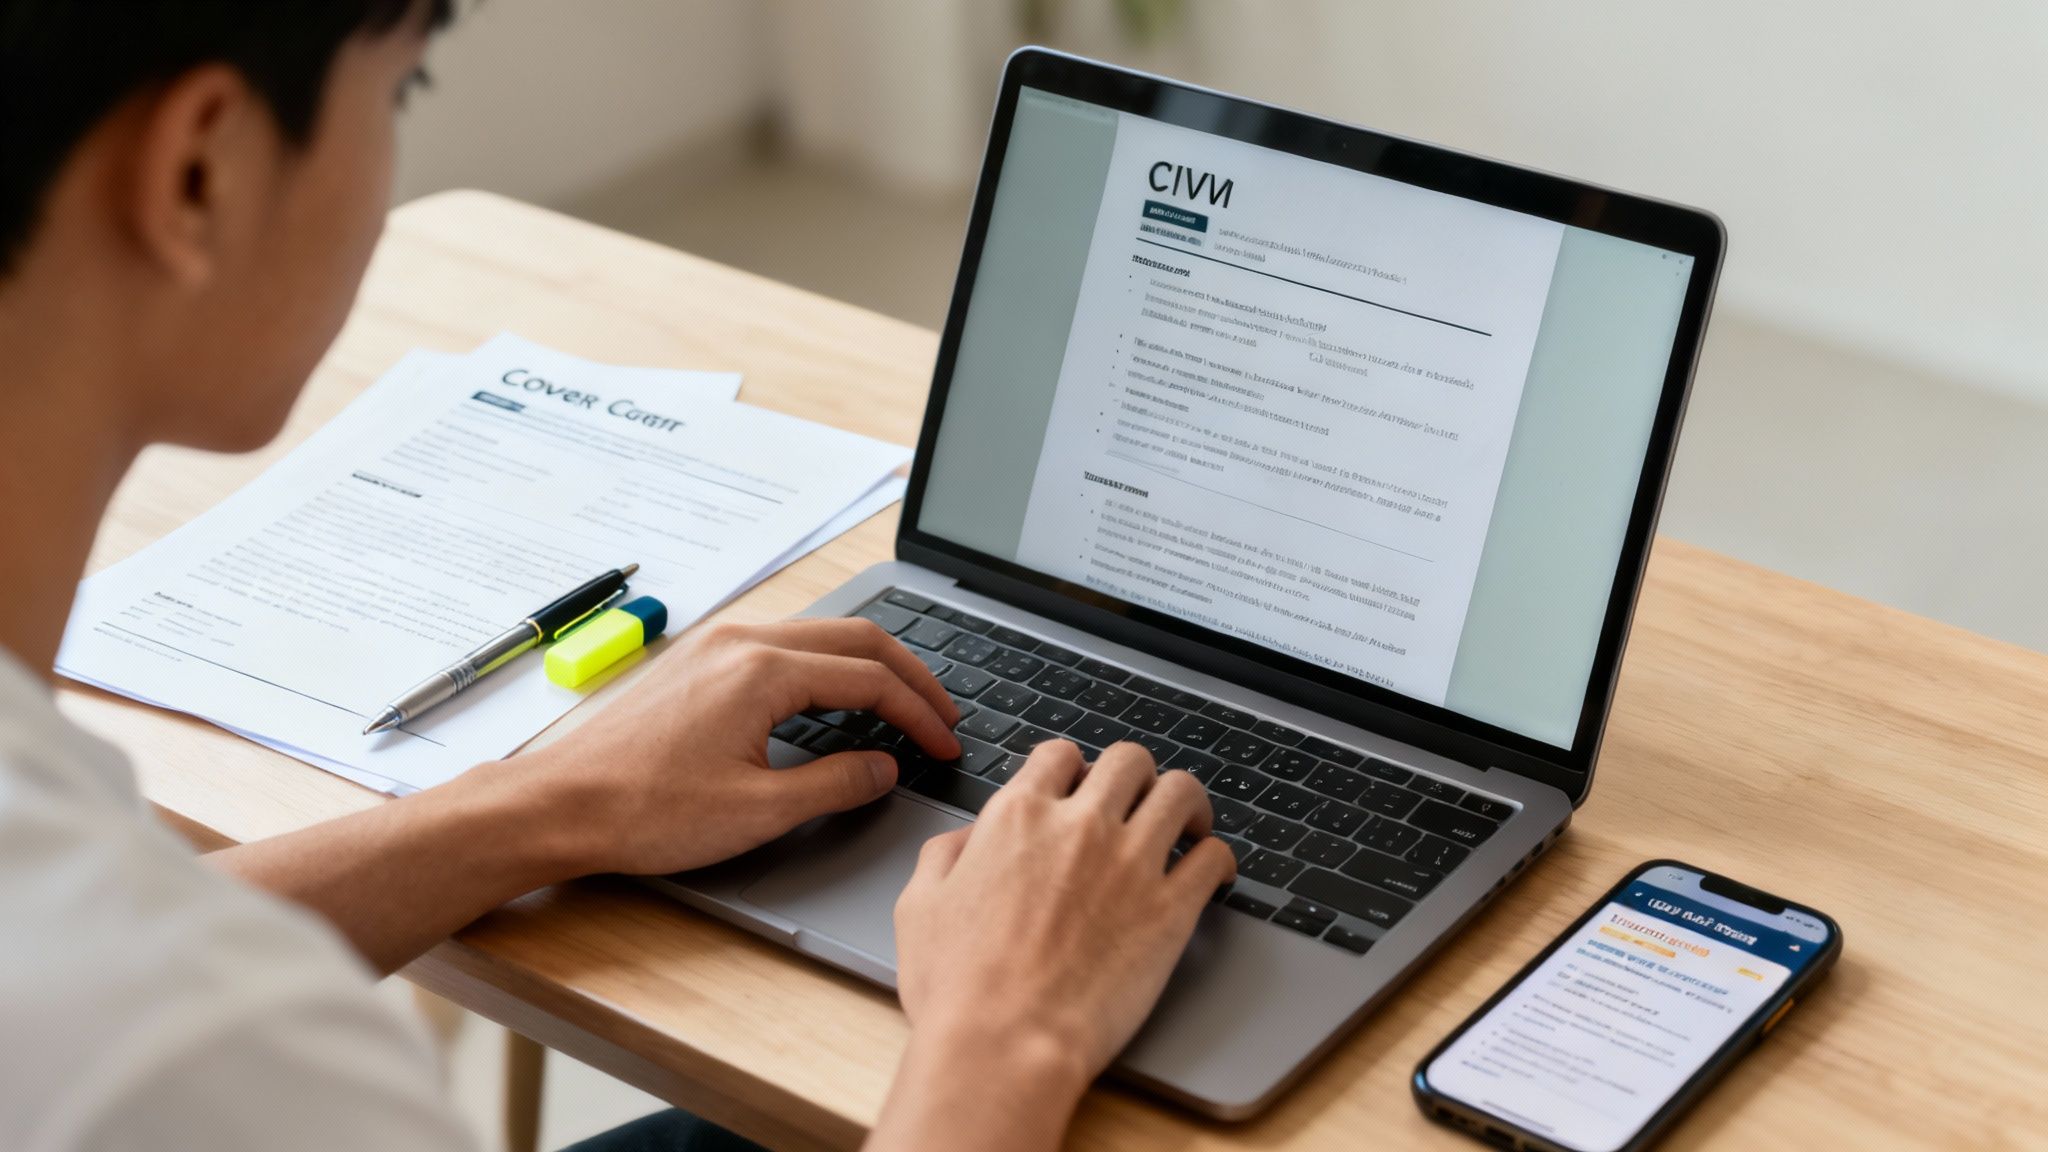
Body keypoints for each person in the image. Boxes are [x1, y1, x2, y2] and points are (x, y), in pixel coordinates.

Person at [0, 2, 1239, 1150]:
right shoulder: (208, 1071)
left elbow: (131, 950)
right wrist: (1006, 1034)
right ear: (198, 173)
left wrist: (544, 807)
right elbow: (136, 997)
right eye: (402, 86)